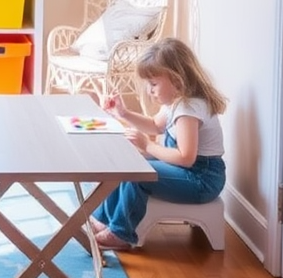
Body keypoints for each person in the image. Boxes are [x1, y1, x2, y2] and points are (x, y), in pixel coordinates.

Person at [89, 37, 227, 252]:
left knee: (137, 175)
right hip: (186, 170)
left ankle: (121, 233)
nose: (150, 90)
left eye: (154, 84)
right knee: (126, 164)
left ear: (177, 80)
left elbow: (186, 158)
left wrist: (148, 147)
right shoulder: (175, 103)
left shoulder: (188, 110)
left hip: (202, 178)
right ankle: (103, 219)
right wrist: (123, 113)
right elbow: (155, 125)